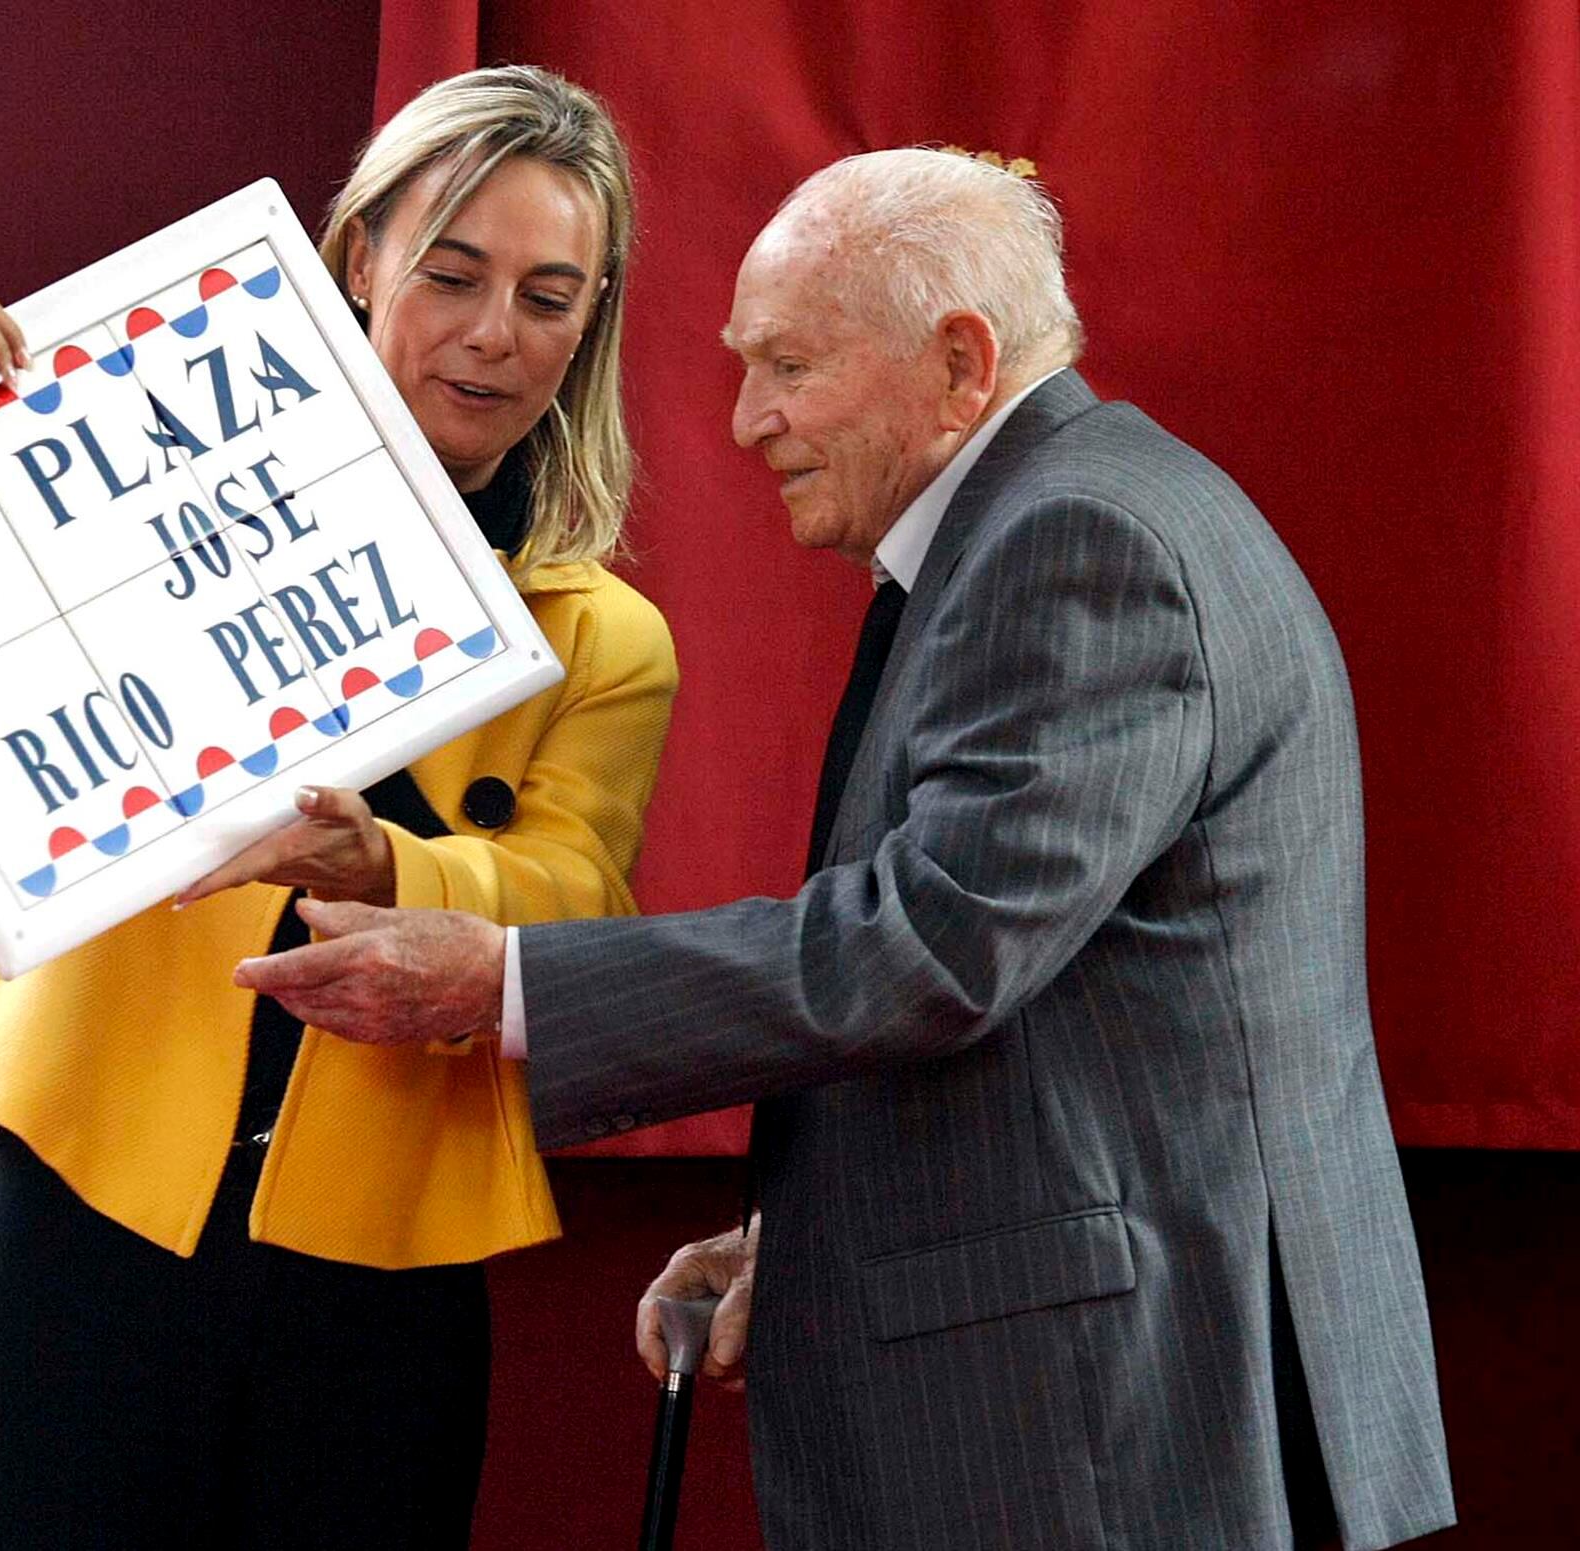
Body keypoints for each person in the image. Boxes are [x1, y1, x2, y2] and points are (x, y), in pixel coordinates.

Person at [235, 148, 1457, 1550]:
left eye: (790, 369)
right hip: (1099, 1378)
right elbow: (1077, 1010)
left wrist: (497, 983)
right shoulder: (1079, 509)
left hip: (1102, 1422)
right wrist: (798, 1248)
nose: (749, 421)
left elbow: (931, 945)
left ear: (958, 361)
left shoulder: (1078, 540)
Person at [0, 65, 675, 1549]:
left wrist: (392, 861)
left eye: (548, 295)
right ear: (359, 262)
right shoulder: (123, 480)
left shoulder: (601, 635)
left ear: (591, 325)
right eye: (452, 274)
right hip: (84, 1193)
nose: (493, 333)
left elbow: (580, 901)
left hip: (385, 1261)